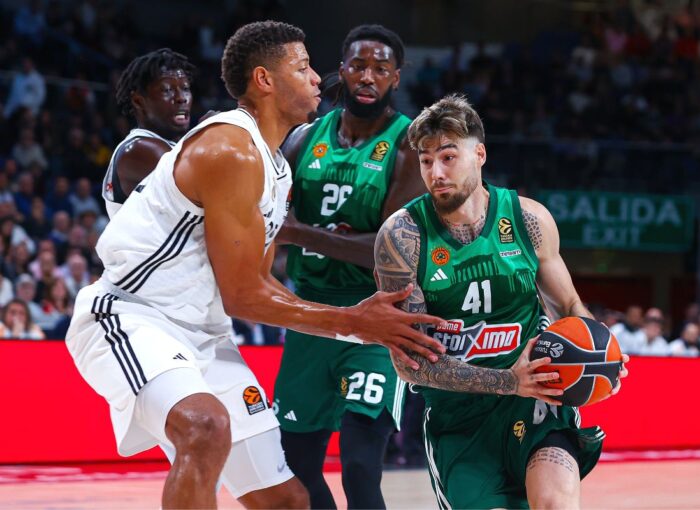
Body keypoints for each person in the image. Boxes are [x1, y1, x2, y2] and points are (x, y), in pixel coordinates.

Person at [65, 21, 444, 509]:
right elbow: (243, 295)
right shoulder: (230, 147)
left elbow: (261, 283)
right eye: (302, 67)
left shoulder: (277, 168)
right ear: (264, 80)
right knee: (205, 428)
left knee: (289, 499)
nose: (318, 78)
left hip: (206, 333)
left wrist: (355, 326)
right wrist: (353, 322)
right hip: (133, 314)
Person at [373, 94, 629, 509]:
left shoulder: (529, 219)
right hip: (459, 421)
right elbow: (410, 364)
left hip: (537, 404)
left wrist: (603, 355)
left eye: (448, 157)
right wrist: (510, 380)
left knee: (556, 504)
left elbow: (569, 306)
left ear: (480, 154)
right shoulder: (403, 236)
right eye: (426, 161)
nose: (436, 173)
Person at [273, 24, 424, 509]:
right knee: (296, 472)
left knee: (360, 469)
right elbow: (269, 224)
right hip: (309, 316)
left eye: (380, 68)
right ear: (341, 70)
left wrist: (300, 232)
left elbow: (389, 250)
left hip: (376, 318)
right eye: (358, 65)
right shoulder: (302, 139)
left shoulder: (408, 145)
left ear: (395, 78)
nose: (367, 76)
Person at [102, 48, 195, 218]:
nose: (181, 97)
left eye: (185, 88)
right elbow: (209, 186)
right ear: (139, 101)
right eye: (167, 90)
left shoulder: (174, 146)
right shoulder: (140, 148)